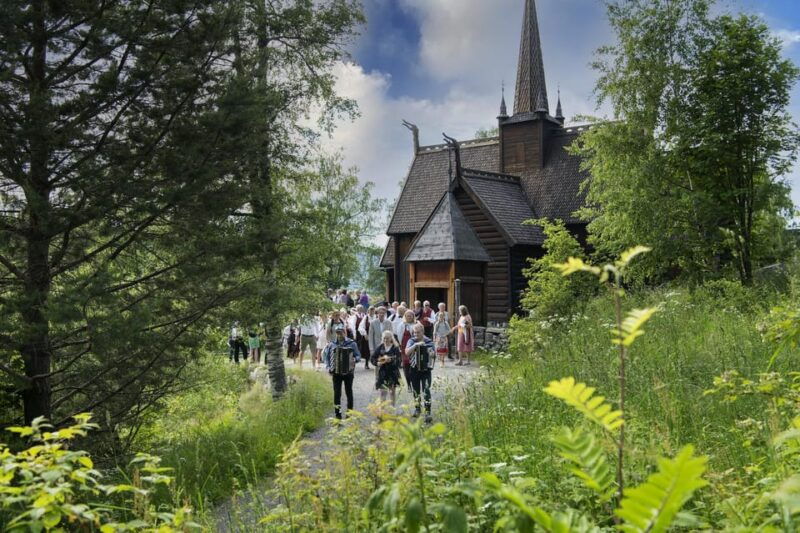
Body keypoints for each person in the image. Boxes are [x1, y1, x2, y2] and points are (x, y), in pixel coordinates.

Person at [322, 324, 361, 419]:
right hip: (336, 373)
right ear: (336, 334)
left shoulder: (352, 343)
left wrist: (354, 360)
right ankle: (338, 414)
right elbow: (326, 358)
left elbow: (358, 356)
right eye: (338, 333)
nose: (340, 335)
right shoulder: (331, 344)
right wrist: (328, 367)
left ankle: (349, 413)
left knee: (349, 392)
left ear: (345, 332)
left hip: (349, 372)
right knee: (337, 394)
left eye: (341, 332)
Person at [406, 323, 436, 423]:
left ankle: (428, 412)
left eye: (418, 332)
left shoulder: (429, 342)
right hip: (414, 369)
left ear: (423, 332)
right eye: (414, 332)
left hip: (426, 370)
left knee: (426, 390)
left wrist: (431, 353)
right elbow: (407, 352)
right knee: (416, 391)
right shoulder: (411, 341)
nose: (416, 334)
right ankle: (417, 409)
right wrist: (415, 345)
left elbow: (433, 355)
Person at [371, 330, 401, 408]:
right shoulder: (380, 347)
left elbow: (399, 361)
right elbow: (373, 358)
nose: (385, 340)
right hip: (383, 373)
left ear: (391, 338)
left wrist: (391, 361)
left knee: (392, 392)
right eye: (384, 338)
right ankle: (382, 410)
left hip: (392, 373)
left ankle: (392, 409)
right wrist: (377, 363)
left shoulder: (395, 348)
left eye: (387, 338)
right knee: (382, 392)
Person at [396, 310, 418, 393]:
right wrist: (401, 347)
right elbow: (399, 337)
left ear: (413, 316)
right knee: (406, 366)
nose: (409, 317)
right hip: (404, 348)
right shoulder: (401, 325)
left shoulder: (416, 324)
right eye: (408, 316)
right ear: (405, 316)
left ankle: (414, 383)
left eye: (411, 316)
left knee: (414, 366)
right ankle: (409, 385)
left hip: (414, 348)